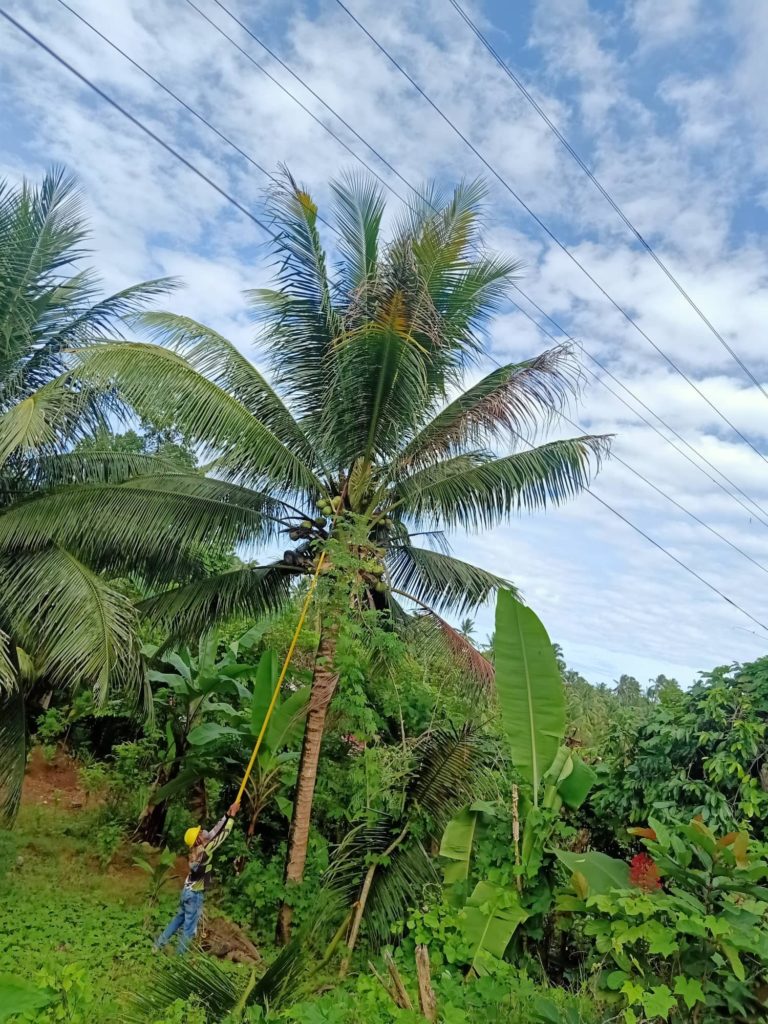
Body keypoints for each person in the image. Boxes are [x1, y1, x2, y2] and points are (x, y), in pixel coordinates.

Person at [153, 801, 240, 955]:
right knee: (189, 930)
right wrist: (232, 818)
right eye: (199, 833)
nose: (202, 832)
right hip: (194, 895)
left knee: (178, 920)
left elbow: (214, 832)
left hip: (186, 891)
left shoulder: (196, 850)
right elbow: (223, 835)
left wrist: (227, 814)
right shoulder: (205, 850)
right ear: (198, 840)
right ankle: (179, 960)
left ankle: (158, 945)